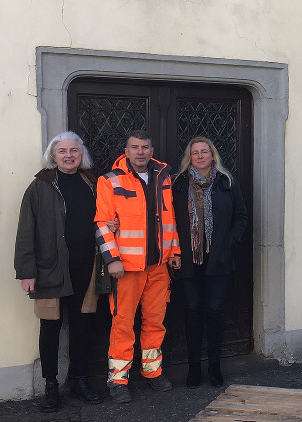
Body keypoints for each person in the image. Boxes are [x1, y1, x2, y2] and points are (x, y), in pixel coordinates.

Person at [14, 131, 102, 412]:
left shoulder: (92, 183)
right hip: (49, 268)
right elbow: (26, 232)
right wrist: (26, 271)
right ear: (53, 156)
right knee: (50, 327)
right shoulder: (40, 187)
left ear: (81, 154)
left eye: (73, 150)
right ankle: (51, 386)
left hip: (86, 267)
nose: (68, 155)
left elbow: (105, 216)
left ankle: (78, 380)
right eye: (62, 151)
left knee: (82, 325)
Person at [95, 129, 181, 404]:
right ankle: (118, 381)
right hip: (127, 268)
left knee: (155, 323)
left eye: (145, 147)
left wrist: (175, 251)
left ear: (152, 151)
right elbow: (102, 224)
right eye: (135, 147)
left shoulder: (163, 177)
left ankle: (152, 372)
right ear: (127, 150)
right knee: (122, 324)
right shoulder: (110, 180)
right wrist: (113, 260)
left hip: (158, 266)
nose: (140, 152)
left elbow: (170, 218)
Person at [172, 136, 248, 389]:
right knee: (192, 311)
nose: (201, 156)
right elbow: (170, 218)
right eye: (195, 153)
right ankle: (194, 367)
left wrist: (229, 243)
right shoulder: (178, 183)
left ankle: (215, 366)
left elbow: (241, 216)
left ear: (213, 155)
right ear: (189, 157)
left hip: (218, 260)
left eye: (205, 152)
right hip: (189, 260)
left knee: (215, 312)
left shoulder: (226, 182)